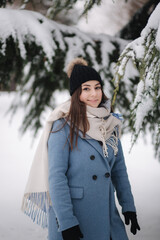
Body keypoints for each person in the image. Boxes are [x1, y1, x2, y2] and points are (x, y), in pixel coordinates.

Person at [21, 58, 140, 240]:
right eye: (86, 88)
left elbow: (119, 170)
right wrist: (67, 221)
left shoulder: (110, 123)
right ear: (76, 93)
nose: (94, 94)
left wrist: (128, 205)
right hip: (76, 217)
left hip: (107, 214)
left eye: (97, 87)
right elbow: (56, 178)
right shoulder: (62, 126)